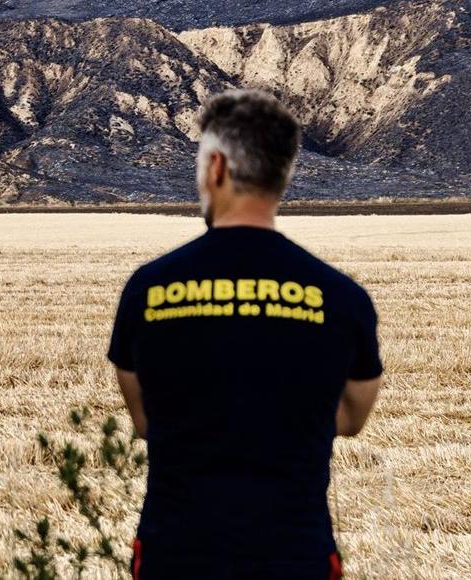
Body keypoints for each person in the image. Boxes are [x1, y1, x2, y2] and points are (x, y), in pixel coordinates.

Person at [106, 89, 382, 580]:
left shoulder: (148, 290)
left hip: (177, 555)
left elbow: (146, 419)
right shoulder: (342, 298)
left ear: (216, 168)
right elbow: (349, 418)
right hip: (295, 556)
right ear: (282, 175)